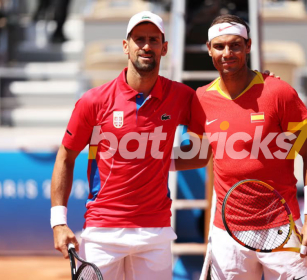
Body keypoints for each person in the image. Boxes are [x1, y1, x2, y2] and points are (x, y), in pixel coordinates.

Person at [173, 14, 307, 280]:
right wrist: (146, 161)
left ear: (248, 46)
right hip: (227, 234)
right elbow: (198, 157)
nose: (227, 53)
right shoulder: (201, 98)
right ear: (209, 49)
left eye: (235, 45)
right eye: (219, 46)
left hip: (282, 227)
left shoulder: (278, 92)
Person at [50, 11, 195, 280]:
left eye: (154, 39)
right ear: (126, 45)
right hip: (103, 232)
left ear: (164, 47)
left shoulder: (182, 96)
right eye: (139, 39)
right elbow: (66, 157)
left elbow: (202, 153)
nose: (147, 46)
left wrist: (261, 84)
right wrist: (58, 221)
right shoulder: (93, 100)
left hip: (156, 232)